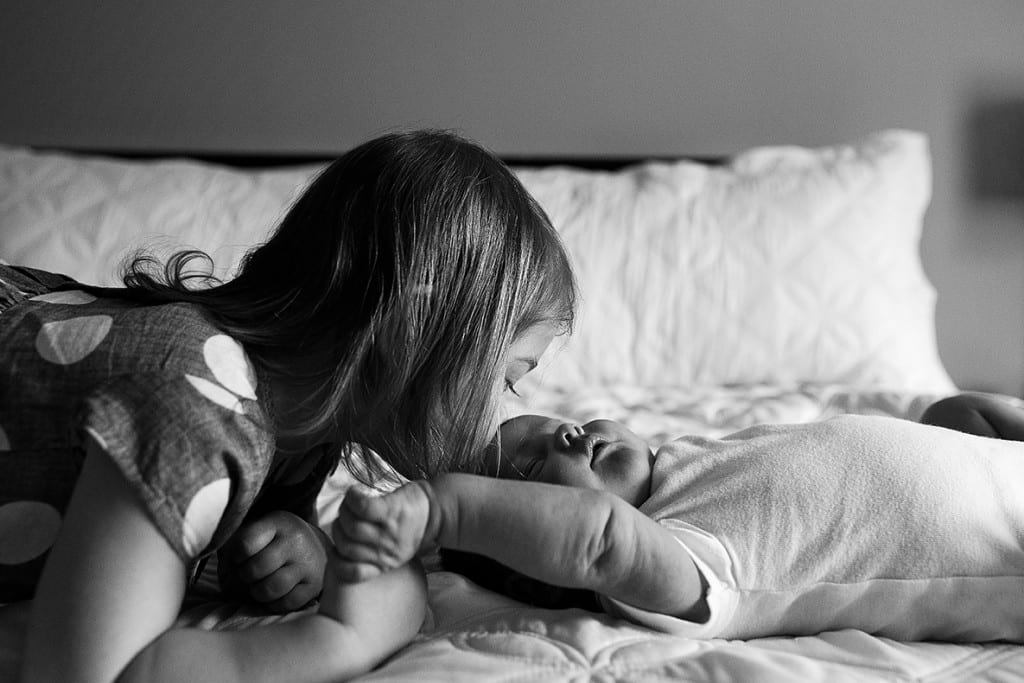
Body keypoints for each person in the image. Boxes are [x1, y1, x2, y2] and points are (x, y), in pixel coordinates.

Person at [0, 129, 576, 682]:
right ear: (410, 332)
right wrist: (349, 636)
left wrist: (303, 544)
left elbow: (238, 508)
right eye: (504, 379)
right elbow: (88, 670)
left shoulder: (307, 422)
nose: (498, 414)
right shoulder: (192, 397)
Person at [331, 393, 1024, 643]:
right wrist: (443, 508)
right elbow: (601, 541)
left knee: (957, 413)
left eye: (561, 425)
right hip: (1006, 548)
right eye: (538, 466)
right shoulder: (672, 559)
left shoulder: (689, 460)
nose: (567, 438)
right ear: (533, 549)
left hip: (995, 464)